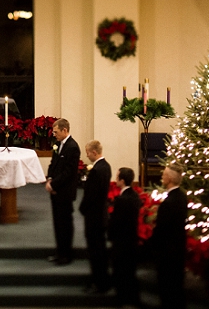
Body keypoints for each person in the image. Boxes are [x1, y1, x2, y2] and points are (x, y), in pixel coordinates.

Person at [150, 163, 188, 309]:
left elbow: (162, 230)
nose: (162, 176)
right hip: (179, 247)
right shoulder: (182, 197)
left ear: (170, 179)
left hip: (167, 252)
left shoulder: (169, 203)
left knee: (167, 289)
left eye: (164, 174)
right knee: (177, 287)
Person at [45, 118, 80, 265]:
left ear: (65, 130)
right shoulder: (58, 145)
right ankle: (59, 252)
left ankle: (66, 254)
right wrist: (49, 178)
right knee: (58, 224)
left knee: (65, 224)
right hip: (56, 190)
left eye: (56, 132)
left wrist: (54, 185)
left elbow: (69, 172)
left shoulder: (73, 147)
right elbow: (53, 164)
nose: (54, 134)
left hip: (65, 191)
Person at [79, 139, 111, 289]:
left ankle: (99, 282)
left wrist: (83, 208)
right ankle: (99, 280)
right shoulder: (106, 166)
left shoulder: (97, 170)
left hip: (94, 217)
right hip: (100, 214)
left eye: (87, 153)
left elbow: (91, 195)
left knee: (96, 251)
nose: (87, 156)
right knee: (100, 249)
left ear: (94, 152)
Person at [108, 167, 142, 308]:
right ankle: (133, 298)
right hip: (132, 240)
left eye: (117, 177)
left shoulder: (122, 200)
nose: (116, 180)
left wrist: (110, 235)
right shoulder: (135, 196)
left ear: (122, 181)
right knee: (130, 272)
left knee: (121, 272)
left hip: (121, 242)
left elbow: (116, 222)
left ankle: (122, 299)